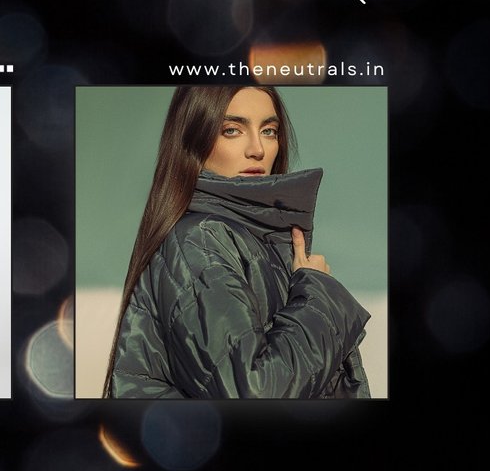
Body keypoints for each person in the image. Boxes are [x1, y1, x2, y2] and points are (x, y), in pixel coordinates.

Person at [103, 85, 370, 398]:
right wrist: (320, 300)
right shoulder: (200, 241)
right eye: (231, 130)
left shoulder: (252, 241)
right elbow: (252, 392)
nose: (257, 148)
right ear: (194, 142)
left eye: (269, 131)